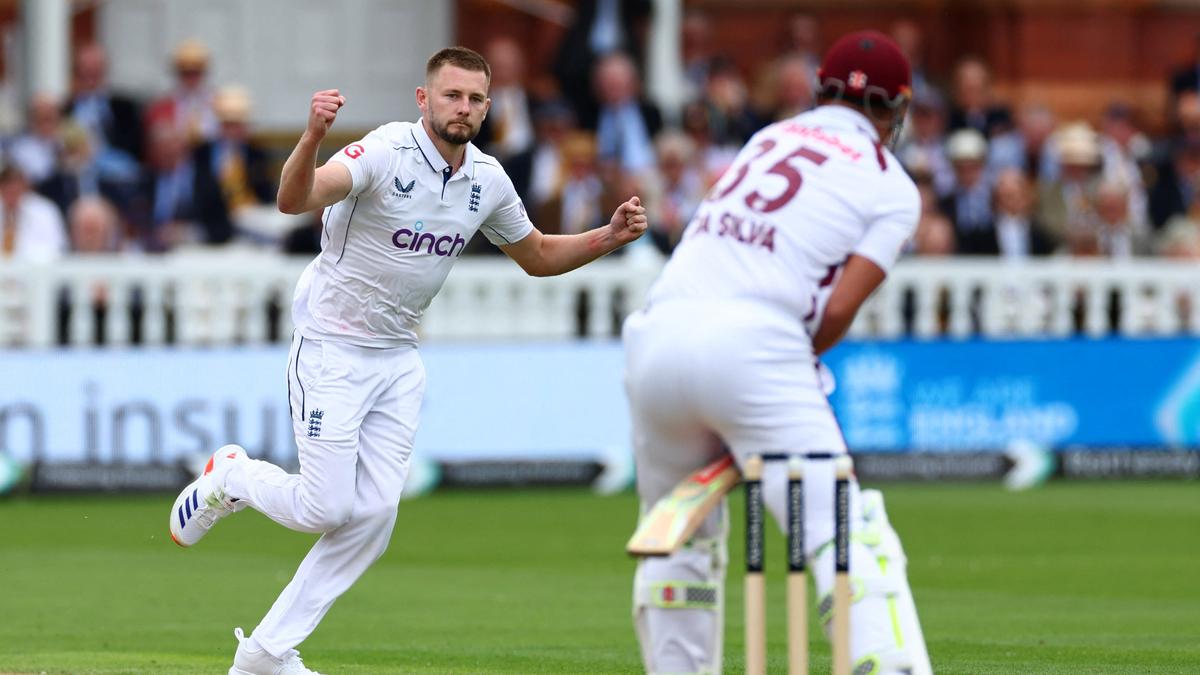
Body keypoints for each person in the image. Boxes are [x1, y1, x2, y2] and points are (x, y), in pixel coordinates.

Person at [167, 46, 647, 675]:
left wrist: (606, 238)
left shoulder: (487, 180)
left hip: (397, 359)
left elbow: (535, 256)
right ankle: (231, 477)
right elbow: (295, 198)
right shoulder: (386, 151)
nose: (464, 108)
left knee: (373, 518)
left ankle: (265, 654)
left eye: (476, 99)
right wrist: (313, 134)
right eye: (452, 95)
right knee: (326, 509)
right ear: (425, 99)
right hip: (331, 346)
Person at [622, 31, 931, 674]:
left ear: (820, 88)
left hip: (657, 334)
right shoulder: (890, 185)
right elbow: (840, 307)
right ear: (897, 109)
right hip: (756, 344)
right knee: (845, 531)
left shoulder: (768, 138)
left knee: (678, 539)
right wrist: (776, 385)